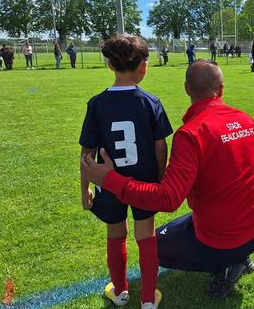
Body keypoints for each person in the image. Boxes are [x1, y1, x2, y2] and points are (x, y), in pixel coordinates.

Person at [81, 59, 254, 300]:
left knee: (155, 245)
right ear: (222, 88)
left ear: (186, 89)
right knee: (205, 215)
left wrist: (109, 179)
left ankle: (227, 264)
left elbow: (168, 198)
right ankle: (240, 255)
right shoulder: (248, 121)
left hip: (225, 239)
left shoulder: (192, 133)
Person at [79, 35, 173, 309]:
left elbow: (87, 151)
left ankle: (120, 292)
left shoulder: (97, 103)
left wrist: (84, 187)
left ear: (110, 65)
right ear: (144, 66)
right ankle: (147, 299)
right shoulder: (150, 102)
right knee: (146, 235)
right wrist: (159, 178)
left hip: (108, 182)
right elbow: (160, 147)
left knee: (115, 232)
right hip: (143, 181)